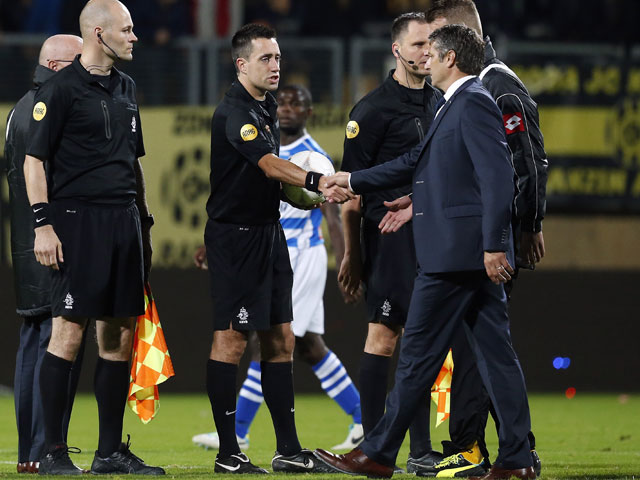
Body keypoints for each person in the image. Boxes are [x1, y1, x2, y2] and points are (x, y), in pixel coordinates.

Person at [315, 24, 536, 480]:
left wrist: (496, 245)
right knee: (496, 358)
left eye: (432, 54)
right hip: (463, 254)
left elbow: (497, 177)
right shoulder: (454, 104)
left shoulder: (472, 101)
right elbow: (421, 163)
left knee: (416, 354)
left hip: (458, 257)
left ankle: (378, 452)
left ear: (451, 57)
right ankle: (516, 459)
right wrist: (353, 180)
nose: (426, 61)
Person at [378, 1, 547, 475]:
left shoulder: (490, 88)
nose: (425, 51)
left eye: (433, 40)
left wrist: (526, 225)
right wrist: (414, 201)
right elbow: (458, 170)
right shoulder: (466, 92)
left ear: (455, 42)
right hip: (475, 238)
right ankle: (511, 453)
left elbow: (521, 164)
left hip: (478, 244)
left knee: (456, 352)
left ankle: (459, 447)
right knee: (487, 350)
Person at [203, 24, 353, 474]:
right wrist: (316, 181)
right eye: (266, 59)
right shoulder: (235, 113)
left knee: (282, 340)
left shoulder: (266, 107)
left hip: (270, 235)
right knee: (231, 340)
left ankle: (287, 450)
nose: (275, 66)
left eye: (278, 58)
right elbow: (268, 165)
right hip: (237, 239)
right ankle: (229, 454)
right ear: (241, 64)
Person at [23, 0, 163, 475]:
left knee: (119, 334)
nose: (134, 36)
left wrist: (143, 224)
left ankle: (108, 453)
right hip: (77, 222)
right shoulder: (59, 90)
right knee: (68, 331)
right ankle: (53, 453)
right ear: (99, 34)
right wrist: (43, 224)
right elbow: (34, 161)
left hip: (123, 221)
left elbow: (133, 161)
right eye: (126, 29)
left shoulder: (126, 87)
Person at [337, 12, 443, 473]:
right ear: (397, 50)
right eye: (418, 44)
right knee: (384, 336)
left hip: (436, 236)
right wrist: (353, 254)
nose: (426, 52)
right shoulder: (371, 111)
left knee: (422, 342)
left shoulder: (441, 102)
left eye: (431, 44)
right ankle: (376, 446)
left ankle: (420, 449)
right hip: (388, 239)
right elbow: (350, 190)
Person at [5, 34, 85, 475]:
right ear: (56, 67)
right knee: (55, 344)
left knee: (36, 341)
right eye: (77, 63)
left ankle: (32, 452)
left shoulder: (21, 107)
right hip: (50, 243)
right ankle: (44, 450)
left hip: (31, 244)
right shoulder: (45, 107)